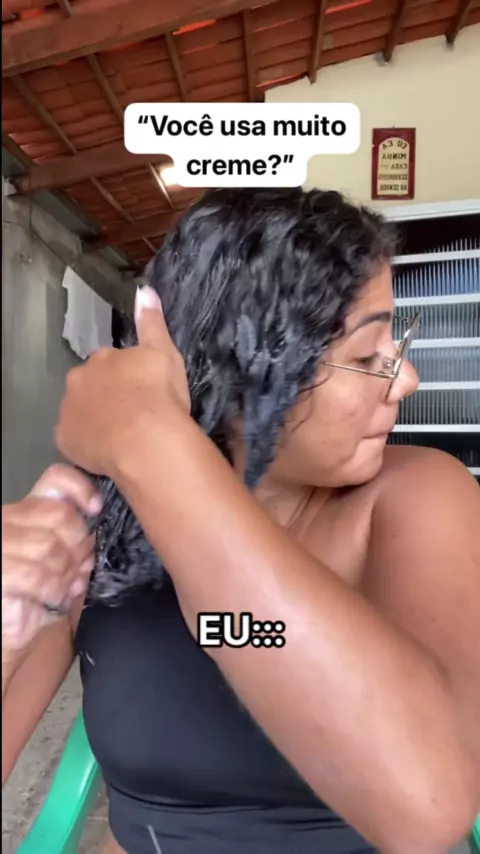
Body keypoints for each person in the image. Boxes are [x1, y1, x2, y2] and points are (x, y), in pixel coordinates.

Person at [2, 188, 480, 854]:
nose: (406, 381)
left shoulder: (417, 497)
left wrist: (152, 445)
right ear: (241, 370)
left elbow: (426, 807)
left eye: (394, 346)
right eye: (368, 357)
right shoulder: (95, 523)